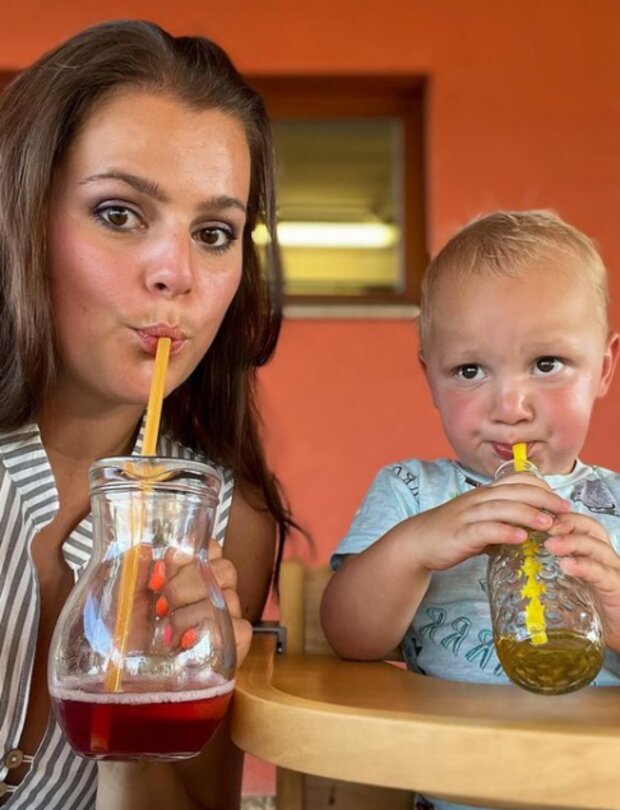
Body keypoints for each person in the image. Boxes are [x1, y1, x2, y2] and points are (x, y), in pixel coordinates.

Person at [0, 19, 293, 810]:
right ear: (21, 216)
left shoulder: (228, 522)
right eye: (120, 213)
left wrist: (149, 700)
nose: (177, 274)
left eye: (214, 232)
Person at [321, 210, 620, 810]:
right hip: (454, 789)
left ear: (604, 370)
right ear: (430, 379)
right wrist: (415, 547)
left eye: (546, 364)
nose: (509, 407)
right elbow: (349, 638)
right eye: (470, 370)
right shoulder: (411, 492)